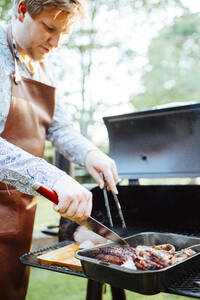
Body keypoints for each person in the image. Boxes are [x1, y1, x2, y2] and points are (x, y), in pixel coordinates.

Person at [0, 1, 119, 299]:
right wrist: (52, 176)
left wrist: (91, 153)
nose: (56, 42)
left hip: (18, 213)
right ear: (22, 9)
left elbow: (59, 127)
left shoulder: (44, 70)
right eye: (50, 28)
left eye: (64, 32)